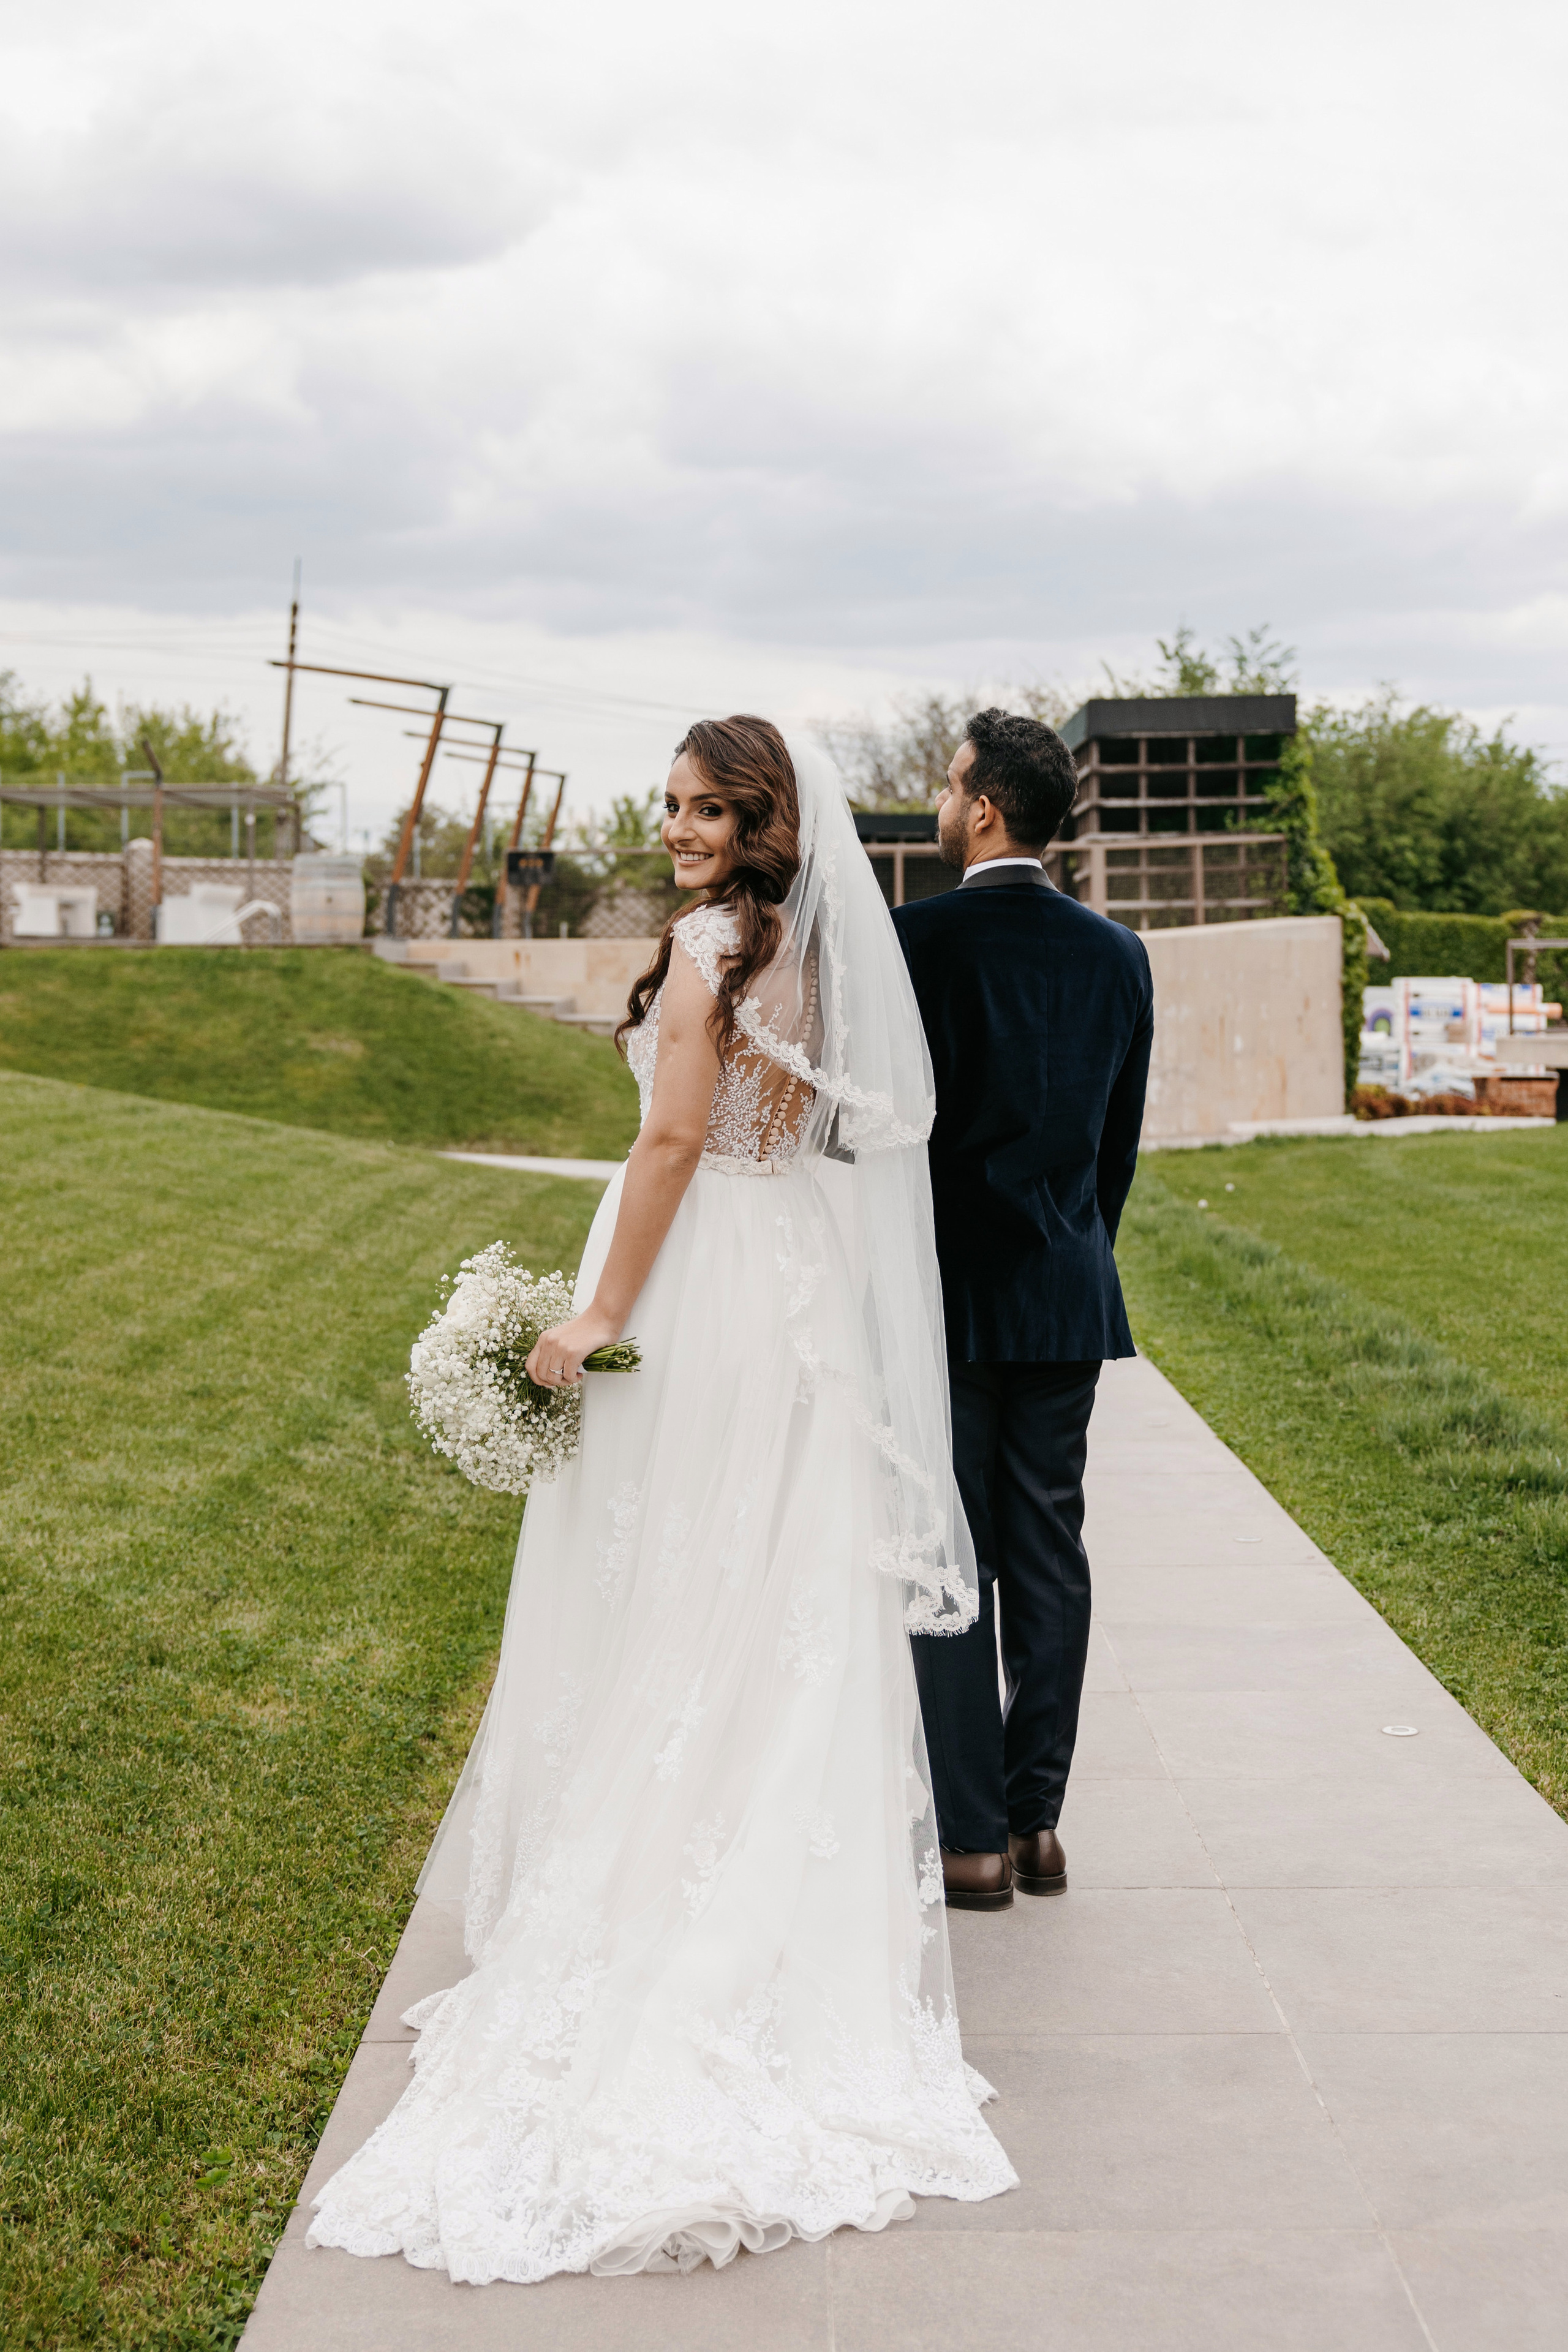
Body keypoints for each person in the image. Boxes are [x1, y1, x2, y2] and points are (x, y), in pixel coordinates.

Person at [307, 717, 1016, 2284]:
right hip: (799, 1302)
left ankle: (659, 1915)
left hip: (702, 1295)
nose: (684, 829)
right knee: (772, 1600)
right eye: (675, 807)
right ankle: (764, 1906)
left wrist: (595, 1314)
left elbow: (673, 1139)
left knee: (684, 1588)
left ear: (762, 817)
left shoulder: (709, 945)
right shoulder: (826, 954)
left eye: (709, 808)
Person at [892, 710, 1153, 1912]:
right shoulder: (1116, 955)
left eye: (949, 788)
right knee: (1049, 1553)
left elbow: (889, 1137)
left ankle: (972, 1841)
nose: (942, 807)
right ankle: (1038, 1823)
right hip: (1062, 1290)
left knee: (952, 1564)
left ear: (983, 807)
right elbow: (1113, 1153)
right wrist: (1068, 1244)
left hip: (943, 1293)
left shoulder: (916, 943)